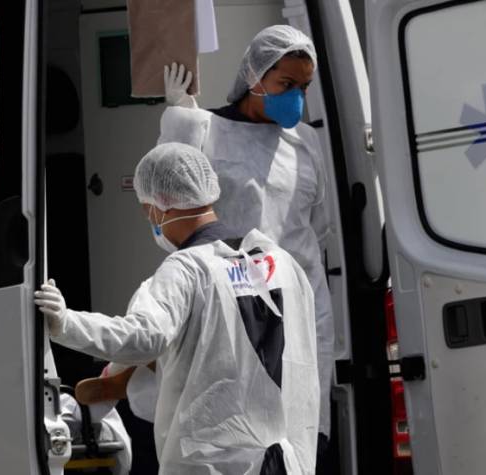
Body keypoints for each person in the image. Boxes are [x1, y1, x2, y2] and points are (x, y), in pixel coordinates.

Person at [35, 142, 319, 475]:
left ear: (159, 207)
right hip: (289, 462)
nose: (149, 219)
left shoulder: (186, 270)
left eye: (147, 210)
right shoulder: (283, 263)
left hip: (213, 465)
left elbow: (145, 338)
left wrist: (65, 323)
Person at [159, 25, 336, 462]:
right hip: (233, 310)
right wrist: (179, 126)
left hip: (301, 307)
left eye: (304, 88)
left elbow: (319, 225)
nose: (296, 98)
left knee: (300, 437)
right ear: (255, 76)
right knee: (235, 442)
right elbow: (168, 225)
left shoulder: (306, 143)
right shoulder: (206, 130)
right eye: (286, 84)